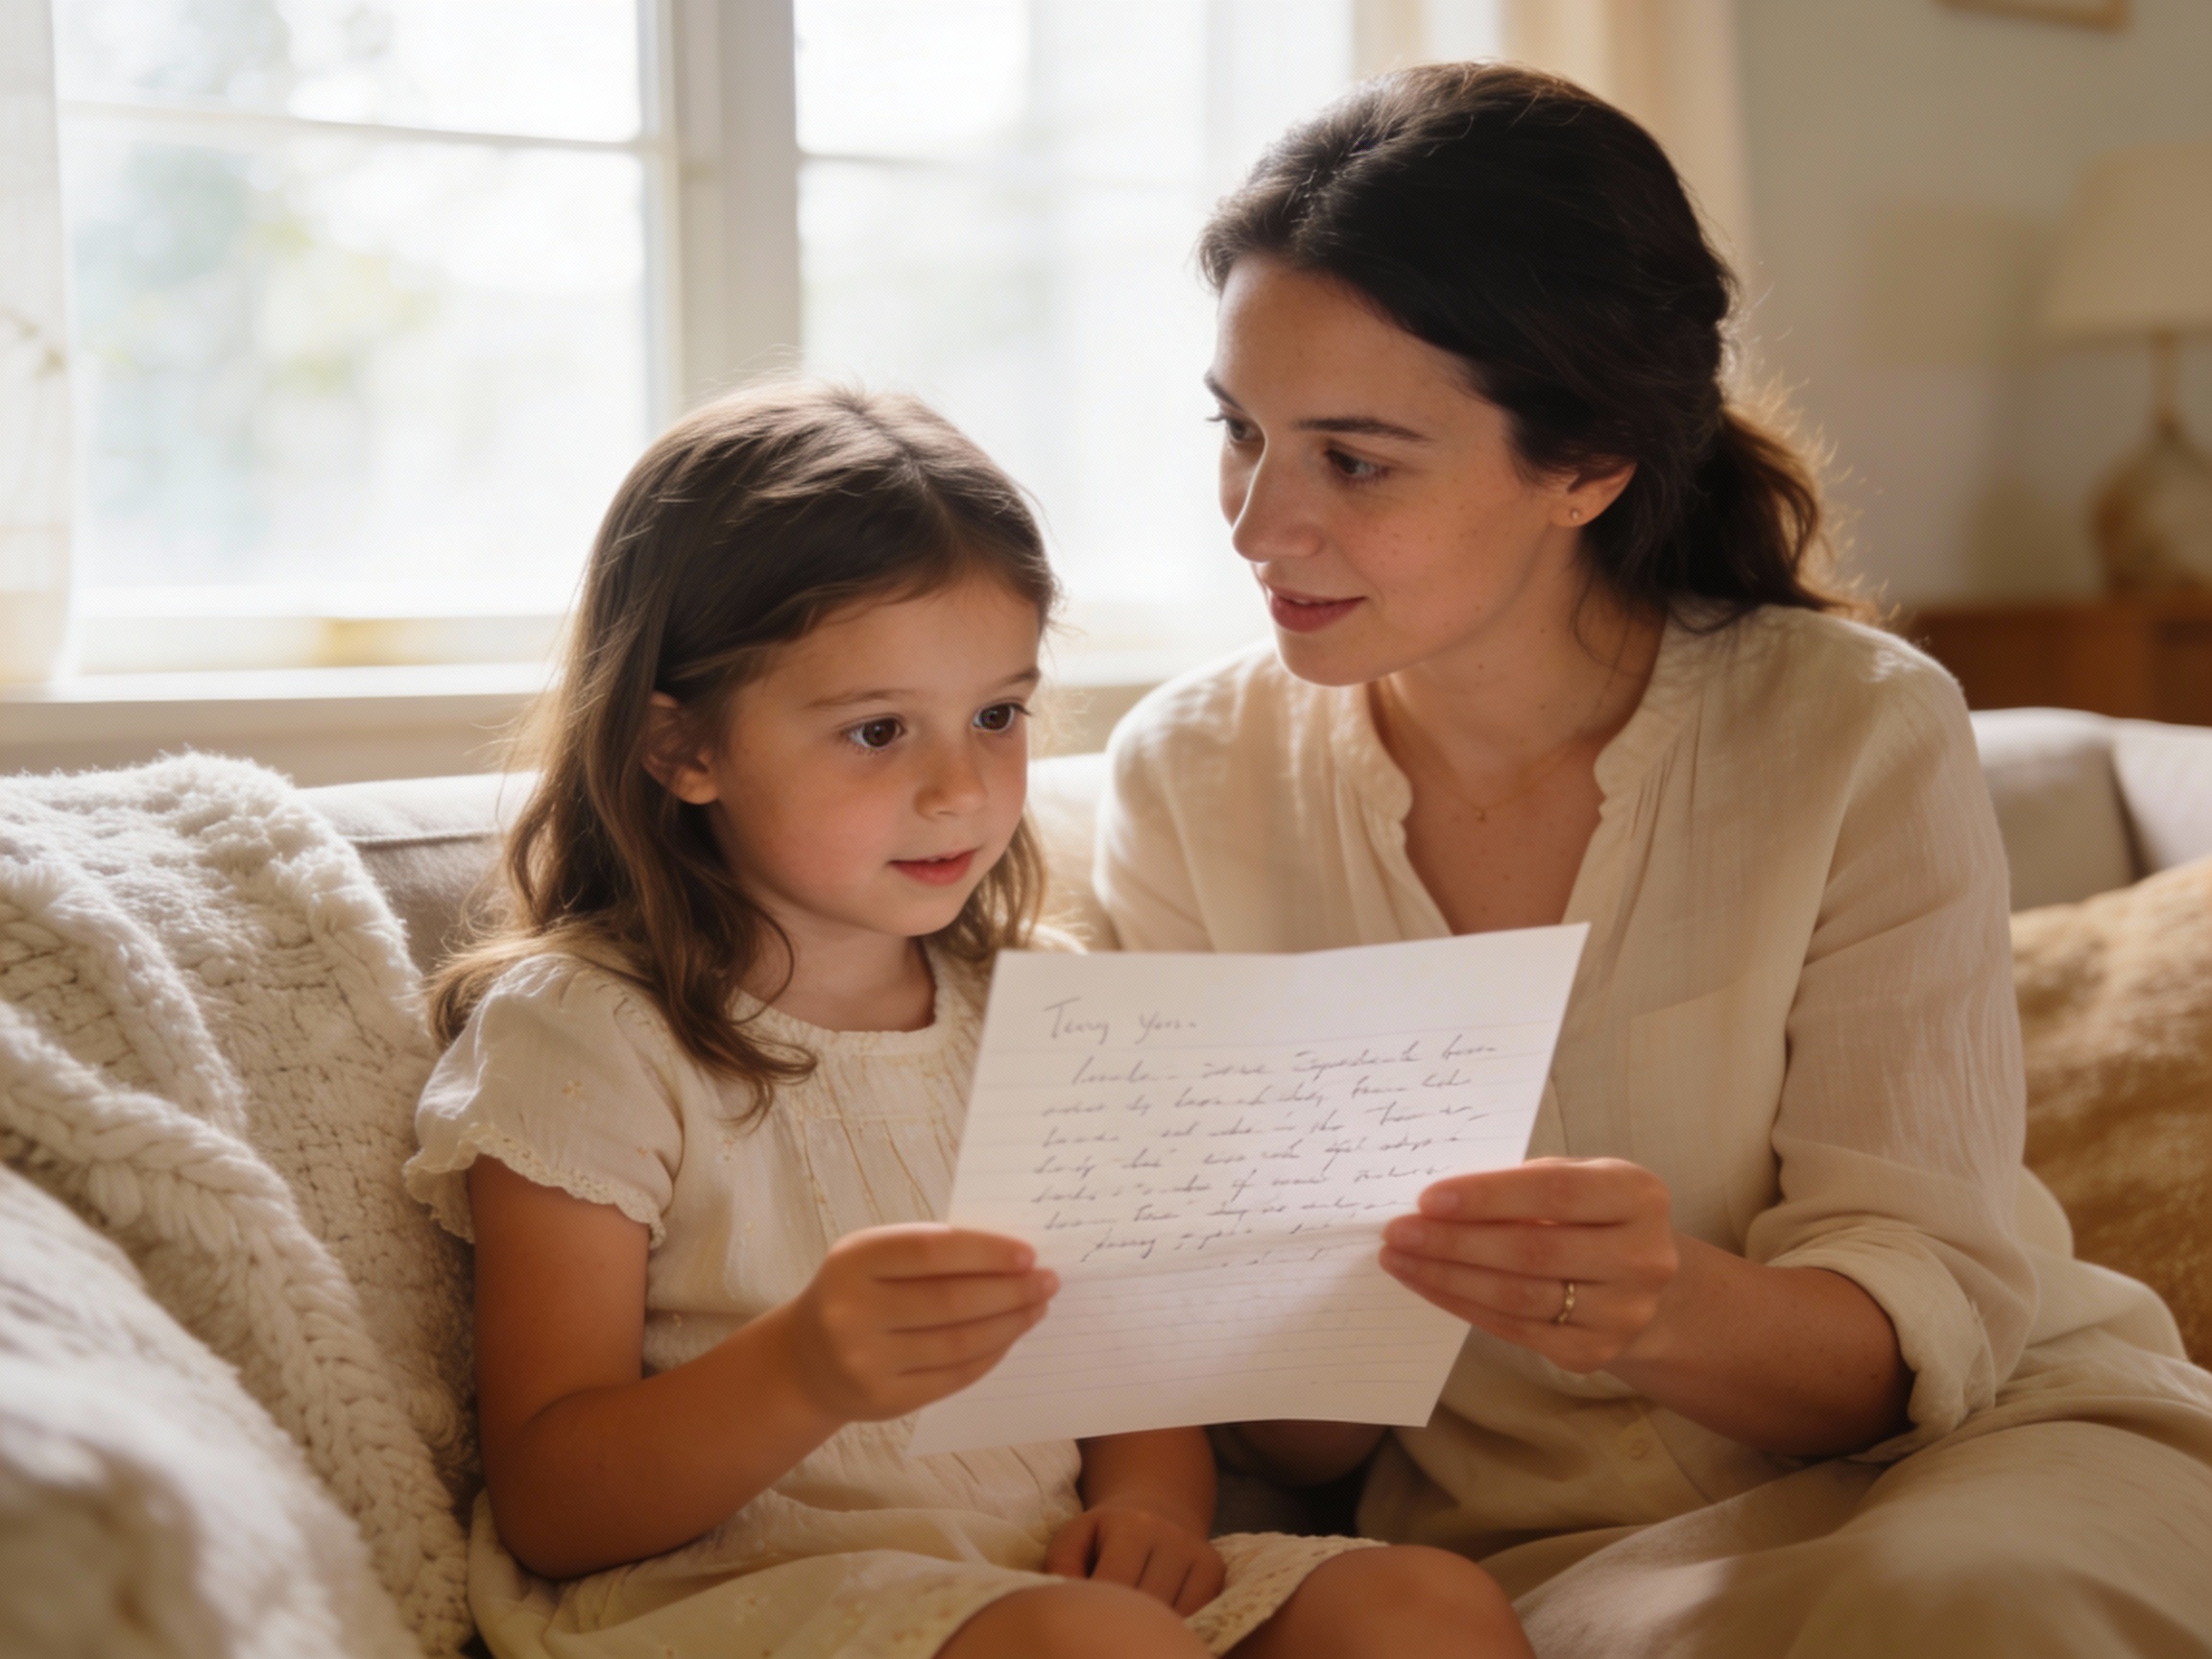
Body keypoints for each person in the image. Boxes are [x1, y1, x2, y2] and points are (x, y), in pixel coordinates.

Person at [1095, 62, 2212, 1657]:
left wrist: (1658, 1304)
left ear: (1587, 465)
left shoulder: (1855, 731)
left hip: (1979, 1462)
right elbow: (1293, 1436)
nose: (1260, 526)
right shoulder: (1190, 783)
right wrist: (1317, 1320)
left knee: (1960, 1609)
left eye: (1355, 460)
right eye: (1240, 433)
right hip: (1533, 1554)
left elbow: (1921, 1318)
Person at [403, 381, 1531, 1659]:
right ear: (682, 749)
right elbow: (554, 1502)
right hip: (741, 1600)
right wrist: (806, 1369)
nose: (959, 788)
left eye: (997, 715)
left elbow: (1121, 1356)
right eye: (877, 730)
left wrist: (1152, 1501)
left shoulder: (1042, 1005)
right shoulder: (590, 1036)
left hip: (1035, 1583)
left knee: (1425, 1606)